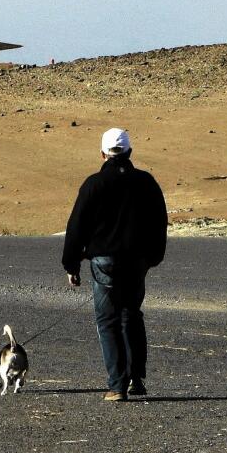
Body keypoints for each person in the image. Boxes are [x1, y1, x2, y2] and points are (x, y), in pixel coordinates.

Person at [61, 128, 167, 402]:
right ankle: (136, 379)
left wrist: (71, 264)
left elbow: (76, 226)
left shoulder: (94, 184)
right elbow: (159, 221)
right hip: (137, 262)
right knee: (131, 315)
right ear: (130, 152)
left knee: (108, 321)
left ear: (103, 154)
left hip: (104, 261)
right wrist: (154, 257)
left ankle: (117, 386)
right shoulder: (146, 182)